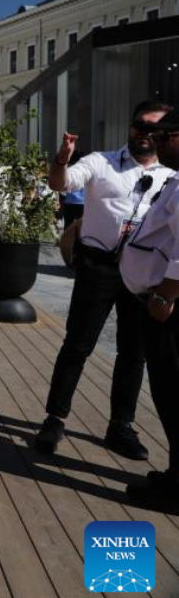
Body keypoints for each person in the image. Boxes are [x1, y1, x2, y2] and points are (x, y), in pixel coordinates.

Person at [32, 99, 172, 459]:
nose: (146, 134)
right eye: (141, 125)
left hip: (141, 276)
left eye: (155, 129)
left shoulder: (171, 177)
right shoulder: (101, 161)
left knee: (133, 353)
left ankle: (120, 426)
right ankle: (54, 419)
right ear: (130, 126)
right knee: (78, 344)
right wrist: (62, 158)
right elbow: (61, 184)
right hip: (99, 267)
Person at [118, 110, 179, 510]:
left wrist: (165, 296)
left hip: (169, 310)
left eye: (165, 134)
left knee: (175, 396)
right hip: (160, 303)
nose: (155, 140)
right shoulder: (175, 180)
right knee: (169, 396)